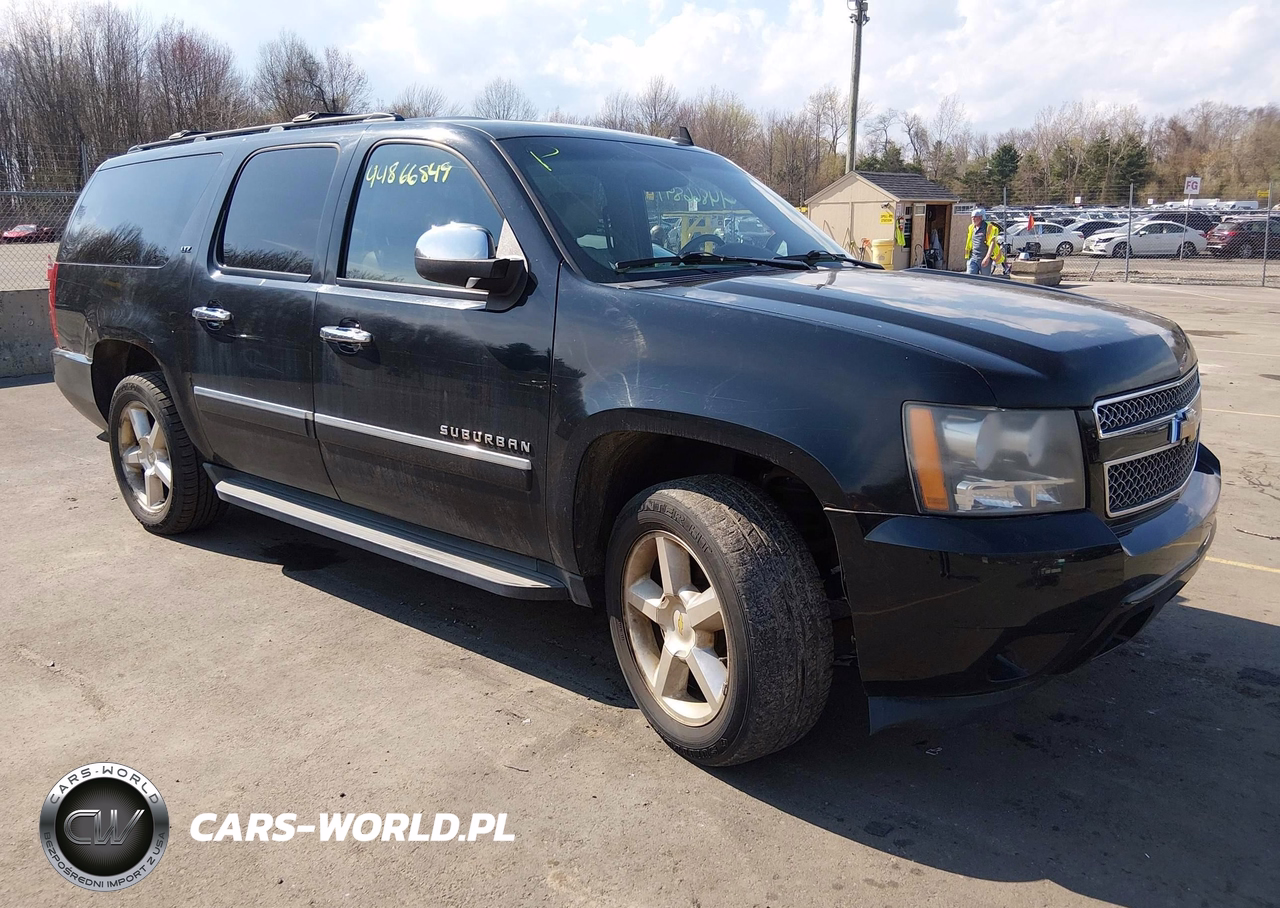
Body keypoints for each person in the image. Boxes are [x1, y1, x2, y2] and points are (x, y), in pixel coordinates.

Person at [965, 208, 1004, 275]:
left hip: (985, 258)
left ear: (981, 217)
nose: (973, 219)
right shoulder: (971, 227)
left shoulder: (989, 228)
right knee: (970, 277)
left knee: (985, 278)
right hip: (973, 258)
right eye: (972, 217)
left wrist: (987, 258)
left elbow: (992, 243)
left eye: (975, 217)